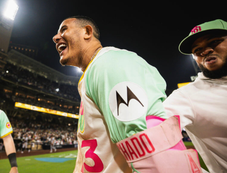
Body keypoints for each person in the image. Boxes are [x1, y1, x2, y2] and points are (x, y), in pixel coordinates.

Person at [52, 15, 202, 173]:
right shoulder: (93, 70)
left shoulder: (109, 64)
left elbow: (146, 143)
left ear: (87, 32)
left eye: (64, 30)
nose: (55, 37)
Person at [164, 19, 227, 173]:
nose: (205, 51)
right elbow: (150, 136)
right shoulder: (186, 96)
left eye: (214, 42)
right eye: (197, 50)